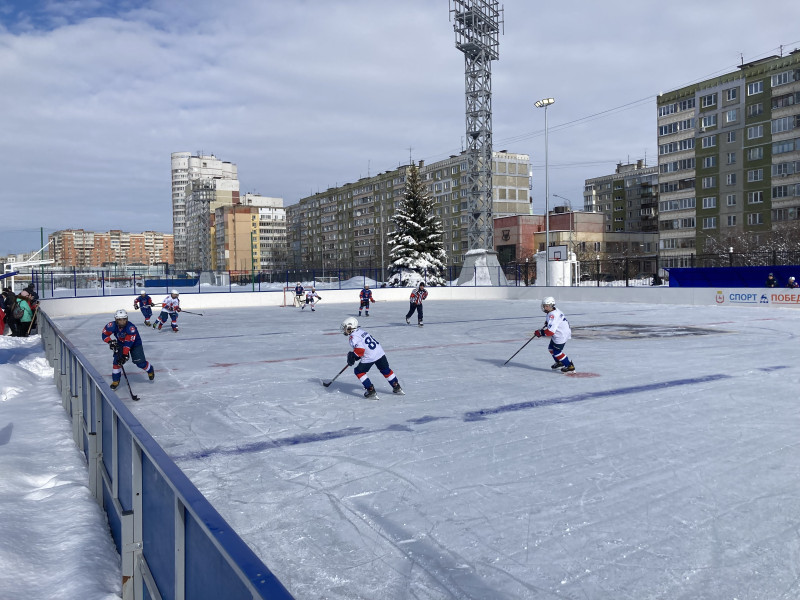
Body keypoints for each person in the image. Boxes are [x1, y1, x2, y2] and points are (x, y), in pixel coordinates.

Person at [340, 316, 403, 398]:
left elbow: (360, 350)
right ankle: (396, 386)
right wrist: (355, 356)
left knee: (359, 371)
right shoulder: (360, 331)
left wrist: (353, 356)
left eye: (346, 328)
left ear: (350, 327)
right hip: (379, 352)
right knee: (385, 369)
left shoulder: (353, 337)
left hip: (370, 356)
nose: (344, 330)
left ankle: (370, 390)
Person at [102, 309, 155, 389]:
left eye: (124, 319)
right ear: (116, 320)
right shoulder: (111, 325)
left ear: (127, 319)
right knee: (117, 362)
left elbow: (128, 343)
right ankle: (115, 380)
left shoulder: (131, 328)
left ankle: (150, 369)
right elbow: (104, 334)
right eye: (120, 320)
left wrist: (124, 355)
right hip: (120, 343)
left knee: (140, 363)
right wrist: (110, 342)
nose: (122, 322)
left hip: (135, 344)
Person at [534, 296, 575, 373]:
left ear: (551, 306)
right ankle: (560, 362)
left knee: (557, 352)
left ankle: (569, 366)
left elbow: (550, 332)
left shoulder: (552, 315)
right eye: (544, 306)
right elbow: (555, 322)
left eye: (547, 306)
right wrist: (548, 322)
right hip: (560, 332)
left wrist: (540, 333)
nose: (545, 308)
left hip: (561, 335)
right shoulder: (554, 310)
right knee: (550, 348)